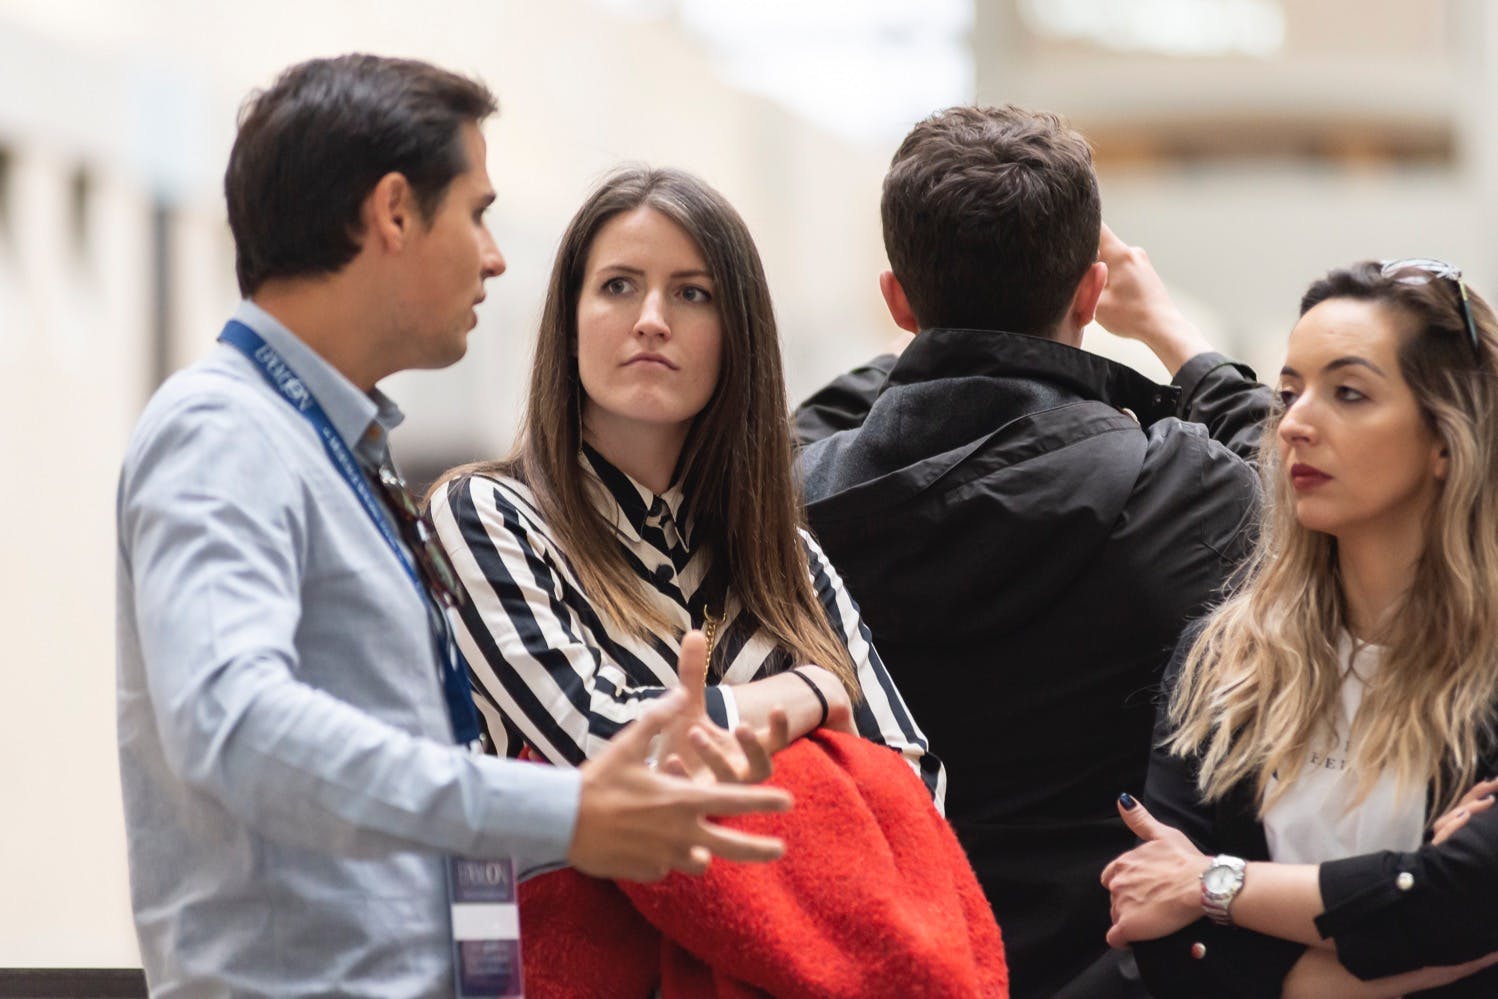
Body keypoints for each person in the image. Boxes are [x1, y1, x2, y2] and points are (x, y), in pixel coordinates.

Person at [116, 55, 793, 998]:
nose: (496, 256)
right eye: (476, 212)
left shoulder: (335, 447)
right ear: (395, 213)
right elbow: (235, 726)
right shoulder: (223, 430)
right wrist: (565, 809)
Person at [791, 104, 1274, 997]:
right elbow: (1298, 482)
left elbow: (803, 426)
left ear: (896, 301)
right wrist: (1177, 339)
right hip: (1113, 966)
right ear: (1091, 295)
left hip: (876, 963)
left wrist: (936, 345)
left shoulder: (793, 504)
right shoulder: (1179, 487)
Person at [428, 164, 942, 801]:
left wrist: (711, 737)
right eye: (618, 286)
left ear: (737, 337)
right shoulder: (486, 515)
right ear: (571, 325)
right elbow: (597, 738)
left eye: (692, 293)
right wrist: (808, 692)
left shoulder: (786, 552)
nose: (651, 320)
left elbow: (913, 782)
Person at [1102, 259, 1498, 997]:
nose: (1293, 424)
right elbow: (1161, 929)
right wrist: (1377, 956)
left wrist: (1212, 883)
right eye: (1289, 394)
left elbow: (1467, 894)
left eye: (1349, 393)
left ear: (1446, 438)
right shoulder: (1227, 656)